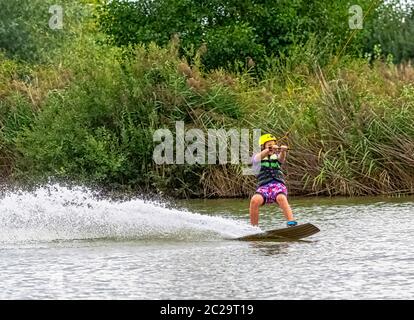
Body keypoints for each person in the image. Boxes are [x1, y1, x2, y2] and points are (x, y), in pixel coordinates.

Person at [249, 133, 298, 227]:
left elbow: (281, 159)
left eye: (273, 145)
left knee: (281, 198)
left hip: (278, 185)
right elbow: (257, 159)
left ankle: (291, 222)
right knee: (254, 200)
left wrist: (283, 151)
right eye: (269, 145)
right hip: (264, 187)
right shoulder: (257, 157)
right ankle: (253, 228)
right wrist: (269, 149)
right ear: (262, 147)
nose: (272, 148)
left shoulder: (276, 157)